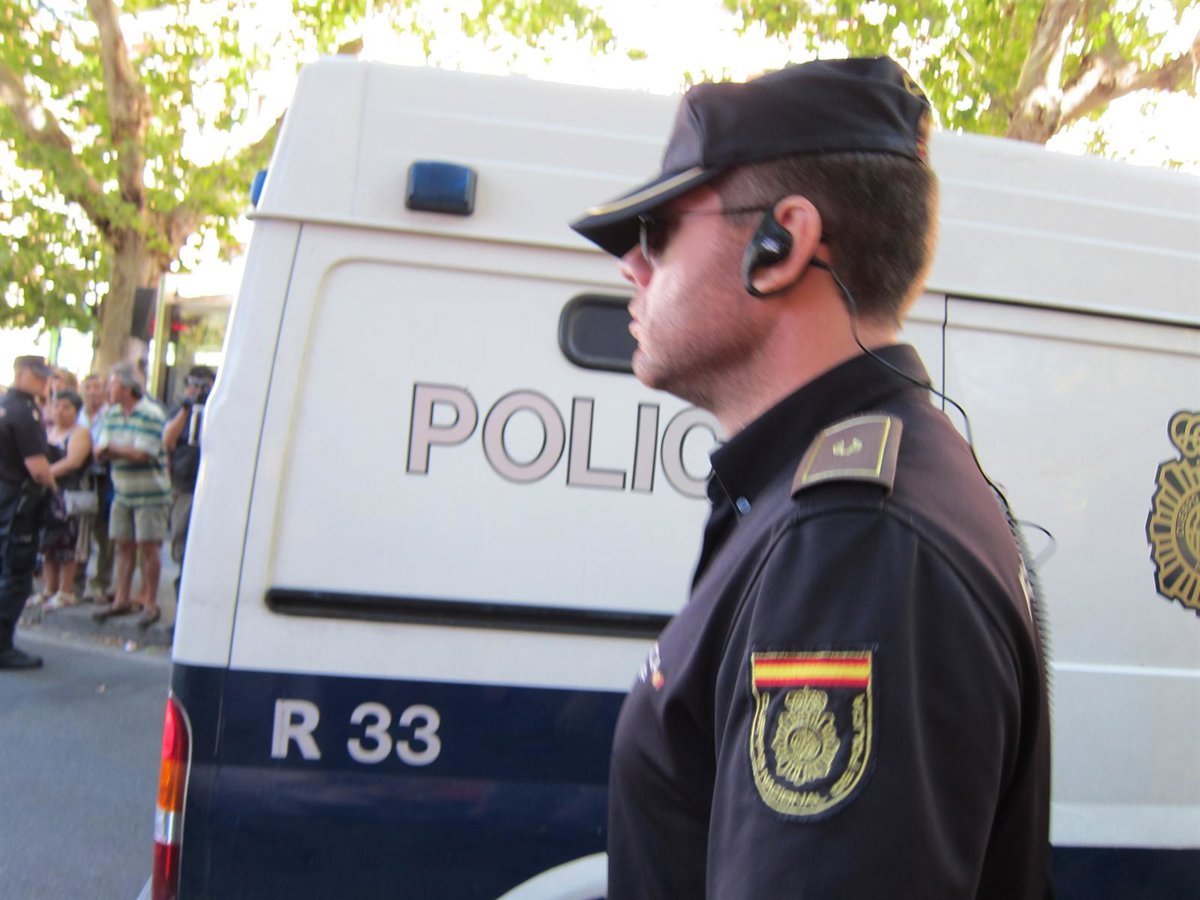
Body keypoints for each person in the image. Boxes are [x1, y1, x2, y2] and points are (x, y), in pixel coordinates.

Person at [569, 58, 1053, 898]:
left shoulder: (853, 543)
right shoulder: (850, 495)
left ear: (783, 243)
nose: (632, 268)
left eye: (657, 232)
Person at [92, 361, 170, 629]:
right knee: (123, 544)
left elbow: (143, 453)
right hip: (123, 491)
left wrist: (113, 449)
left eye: (112, 384)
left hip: (150, 493)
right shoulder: (111, 414)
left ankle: (150, 602)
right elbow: (100, 450)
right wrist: (120, 449)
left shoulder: (151, 414)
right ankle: (121, 598)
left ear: (127, 388)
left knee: (149, 546)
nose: (107, 389)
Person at [0, 356, 57, 669]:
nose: (44, 383)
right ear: (21, 373)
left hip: (5, 496)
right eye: (39, 377)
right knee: (16, 575)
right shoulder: (24, 412)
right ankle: (2, 646)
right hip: (18, 504)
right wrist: (55, 489)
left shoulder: (4, 405)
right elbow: (37, 468)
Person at [34, 389, 92, 609]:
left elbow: (73, 462)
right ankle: (49, 588)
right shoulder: (49, 431)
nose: (60, 411)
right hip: (46, 493)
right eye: (57, 406)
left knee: (68, 543)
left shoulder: (80, 433)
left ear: (76, 410)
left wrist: (45, 473)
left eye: (66, 407)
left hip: (69, 494)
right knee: (47, 543)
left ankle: (66, 590)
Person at [162, 365, 214, 596]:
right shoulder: (180, 410)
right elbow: (167, 441)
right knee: (181, 539)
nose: (198, 390)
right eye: (193, 385)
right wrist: (187, 407)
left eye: (203, 386)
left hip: (210, 485)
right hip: (184, 485)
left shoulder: (218, 408)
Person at [75, 372, 114, 602]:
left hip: (104, 478)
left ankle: (101, 581)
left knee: (104, 531)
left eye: (96, 387)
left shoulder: (111, 415)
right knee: (80, 530)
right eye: (88, 387)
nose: (92, 392)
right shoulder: (77, 414)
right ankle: (76, 580)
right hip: (81, 477)